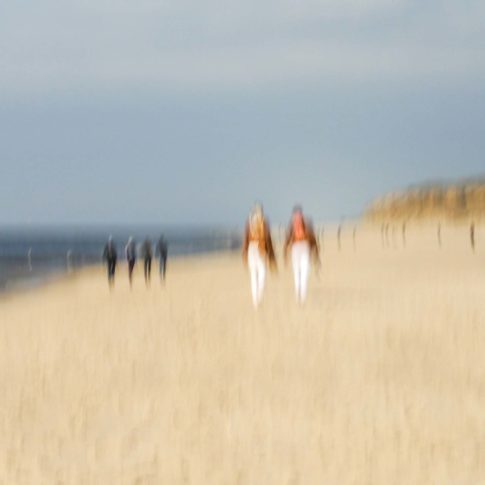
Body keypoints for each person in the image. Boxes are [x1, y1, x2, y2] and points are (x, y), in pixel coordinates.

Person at [242, 204, 276, 307]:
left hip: (251, 248)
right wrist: (270, 252)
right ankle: (259, 297)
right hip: (260, 248)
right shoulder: (263, 220)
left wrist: (244, 251)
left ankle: (255, 302)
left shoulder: (249, 221)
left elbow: (246, 238)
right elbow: (267, 236)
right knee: (262, 273)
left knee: (253, 276)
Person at [284, 206, 320, 303]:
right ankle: (303, 298)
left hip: (295, 248)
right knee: (304, 273)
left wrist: (286, 251)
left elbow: (288, 238)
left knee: (297, 274)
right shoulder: (307, 221)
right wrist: (315, 251)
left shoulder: (291, 222)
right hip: (305, 247)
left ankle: (297, 297)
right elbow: (313, 237)